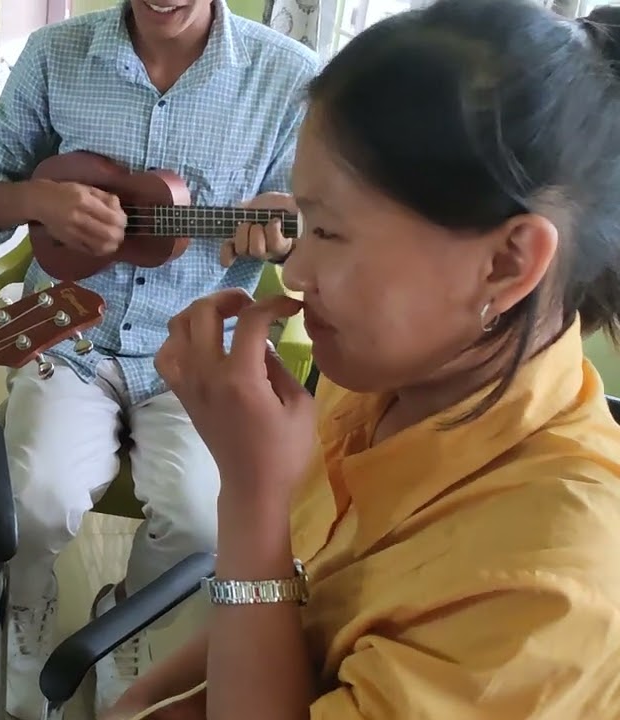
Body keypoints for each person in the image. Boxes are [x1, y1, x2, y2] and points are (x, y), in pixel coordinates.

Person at [101, 1, 620, 718]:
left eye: (333, 234)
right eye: (300, 224)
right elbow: (298, 602)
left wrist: (251, 496)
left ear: (506, 261)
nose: (296, 271)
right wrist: (148, 700)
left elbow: (270, 567)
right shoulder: (391, 382)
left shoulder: (548, 584)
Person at [0, 0, 318, 715]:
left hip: (199, 346)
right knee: (35, 497)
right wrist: (37, 199)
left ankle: (130, 615)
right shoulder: (53, 55)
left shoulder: (291, 77)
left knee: (200, 520)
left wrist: (287, 232)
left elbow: (315, 230)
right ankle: (26, 606)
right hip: (67, 332)